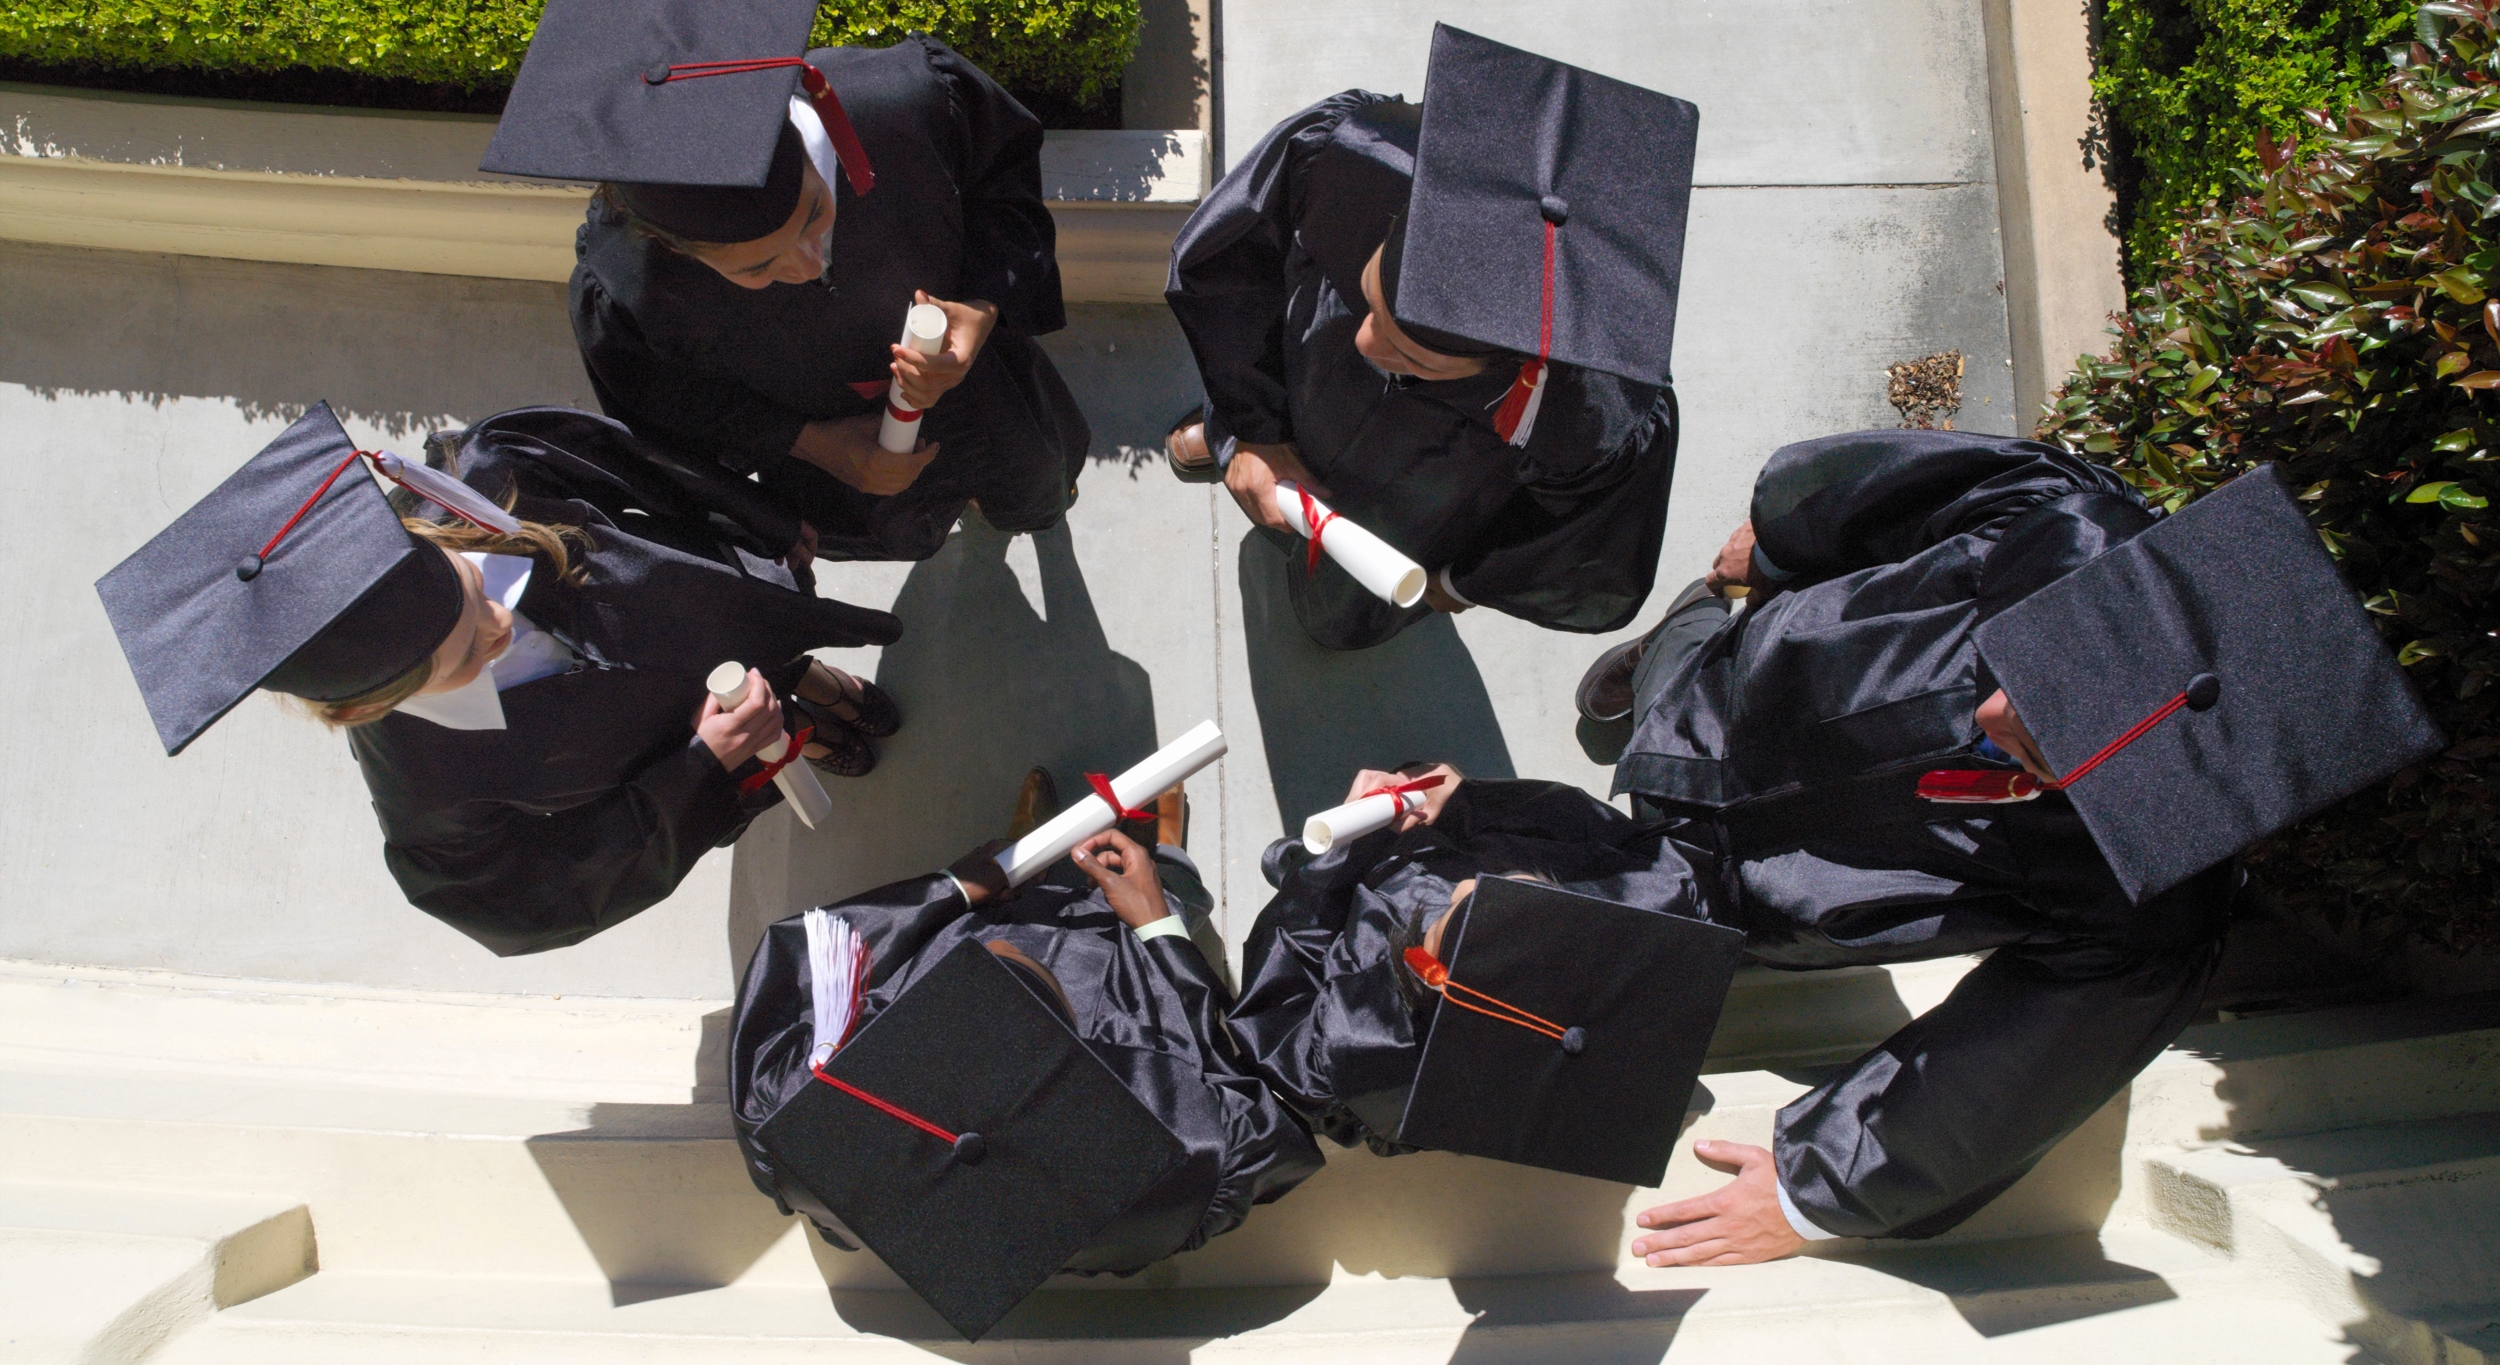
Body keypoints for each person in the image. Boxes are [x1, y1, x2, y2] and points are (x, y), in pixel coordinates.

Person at [1571, 429, 2444, 1264]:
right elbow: (1876, 492)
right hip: (1757, 675)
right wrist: (1779, 547)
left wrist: (1810, 1191)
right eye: (2029, 681)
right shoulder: (2059, 518)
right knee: (1688, 654)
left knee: (1567, 895)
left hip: (1758, 886)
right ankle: (1671, 642)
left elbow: (2001, 1076)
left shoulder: (2150, 914)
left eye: (2043, 748)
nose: (1995, 717)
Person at [96, 402, 903, 956]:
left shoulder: (494, 475)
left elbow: (648, 466)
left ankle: (804, 677)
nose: (500, 627)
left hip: (706, 602)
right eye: (463, 657)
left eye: (475, 591)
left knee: (768, 644)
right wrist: (698, 766)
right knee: (766, 738)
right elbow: (529, 899)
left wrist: (759, 521)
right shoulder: (424, 790)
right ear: (374, 703)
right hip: (672, 740)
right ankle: (799, 731)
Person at [481, 0, 1088, 563]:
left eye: (815, 212)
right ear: (672, 249)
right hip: (831, 447)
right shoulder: (629, 293)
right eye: (757, 268)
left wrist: (984, 302)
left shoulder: (907, 103)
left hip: (984, 387)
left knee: (1031, 477)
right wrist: (815, 445)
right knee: (895, 521)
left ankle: (1019, 505)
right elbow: (673, 411)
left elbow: (1002, 183)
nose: (805, 265)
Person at [729, 772, 1324, 1339]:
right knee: (1175, 906)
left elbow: (802, 961)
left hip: (943, 998)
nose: (1013, 950)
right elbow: (1234, 1064)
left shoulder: (796, 1133)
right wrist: (1157, 924)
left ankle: (1022, 861)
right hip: (1130, 995)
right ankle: (1169, 852)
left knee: (988, 908)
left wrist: (952, 889)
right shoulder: (1185, 1157)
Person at [1164, 24, 1697, 649]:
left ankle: (1331, 608)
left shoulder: (1598, 415)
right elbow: (1232, 264)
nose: (1365, 343)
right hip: (1307, 380)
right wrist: (1255, 429)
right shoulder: (1356, 156)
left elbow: (1576, 551)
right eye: (1370, 299)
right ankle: (1237, 434)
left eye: (1410, 354)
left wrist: (1460, 583)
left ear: (1521, 366)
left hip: (1421, 492)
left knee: (1342, 600)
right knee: (1261, 394)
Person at [1231, 763, 1739, 1186]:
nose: (1465, 885)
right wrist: (1468, 802)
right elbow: (1582, 823)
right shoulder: (1656, 903)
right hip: (1440, 828)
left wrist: (1347, 849)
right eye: (1523, 888)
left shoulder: (1354, 1046)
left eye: (1448, 926)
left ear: (1427, 972)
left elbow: (1286, 954)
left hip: (1357, 887)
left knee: (1296, 864)